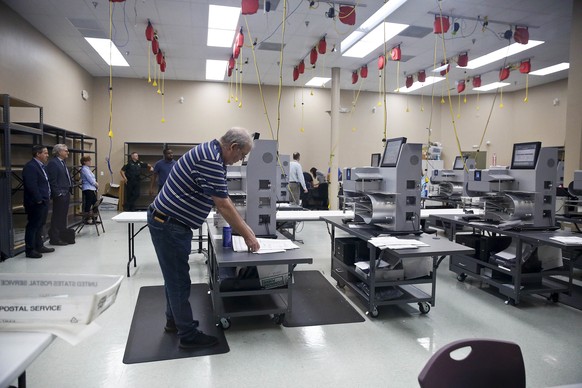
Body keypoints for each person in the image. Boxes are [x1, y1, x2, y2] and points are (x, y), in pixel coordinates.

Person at [147, 127, 261, 350]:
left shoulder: (212, 154)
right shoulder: (210, 159)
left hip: (169, 222)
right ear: (233, 147)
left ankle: (173, 321)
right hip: (169, 224)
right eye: (241, 155)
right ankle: (188, 335)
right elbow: (223, 204)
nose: (240, 160)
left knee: (174, 277)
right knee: (179, 280)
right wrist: (248, 234)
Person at [22, 145, 54, 258]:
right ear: (38, 154)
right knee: (33, 226)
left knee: (40, 225)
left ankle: (39, 246)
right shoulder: (30, 167)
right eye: (45, 153)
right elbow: (31, 185)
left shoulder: (42, 166)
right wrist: (39, 199)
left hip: (44, 201)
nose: (47, 155)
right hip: (35, 203)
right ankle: (30, 250)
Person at [46, 143, 72, 245]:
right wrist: (58, 194)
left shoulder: (62, 162)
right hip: (60, 194)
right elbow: (52, 181)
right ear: (59, 152)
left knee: (62, 216)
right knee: (57, 217)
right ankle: (55, 238)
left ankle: (61, 236)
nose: (67, 152)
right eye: (66, 151)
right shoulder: (53, 163)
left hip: (65, 193)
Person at [80, 155, 99, 224]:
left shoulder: (87, 169)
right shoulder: (84, 169)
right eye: (88, 161)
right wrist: (95, 184)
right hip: (88, 188)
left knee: (95, 203)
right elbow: (90, 178)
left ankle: (94, 218)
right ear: (84, 162)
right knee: (88, 203)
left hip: (91, 188)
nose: (90, 162)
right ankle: (87, 219)